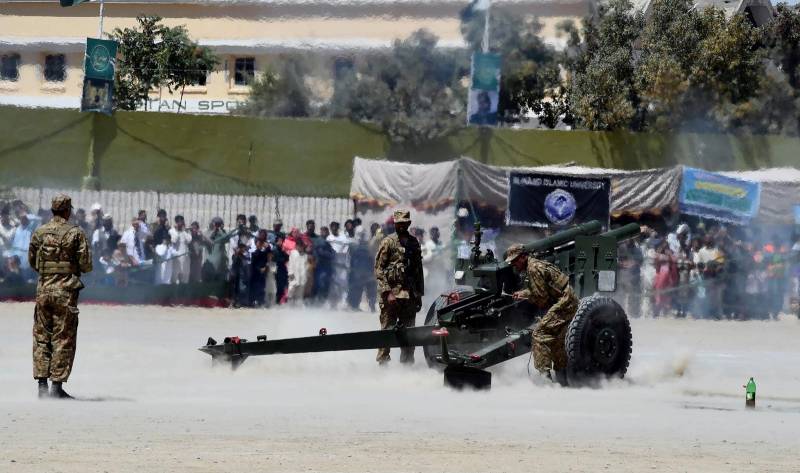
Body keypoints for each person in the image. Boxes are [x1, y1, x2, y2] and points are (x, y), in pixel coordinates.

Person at [28, 194, 92, 399]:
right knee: (63, 338)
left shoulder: (39, 232)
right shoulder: (75, 233)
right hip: (65, 292)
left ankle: (42, 387)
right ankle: (56, 387)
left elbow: (33, 262)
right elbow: (86, 265)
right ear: (67, 210)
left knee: (42, 338)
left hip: (44, 291)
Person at [505, 243, 578, 383]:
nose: (513, 264)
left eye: (515, 260)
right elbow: (542, 290)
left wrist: (526, 296)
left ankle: (546, 381)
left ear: (523, 257)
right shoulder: (535, 265)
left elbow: (541, 299)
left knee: (539, 334)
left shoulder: (533, 269)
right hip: (566, 300)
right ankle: (563, 382)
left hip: (564, 303)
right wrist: (523, 293)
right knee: (556, 339)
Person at [374, 209, 423, 364]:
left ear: (408, 223)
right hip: (391, 297)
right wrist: (388, 292)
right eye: (399, 223)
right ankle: (383, 364)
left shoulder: (414, 243)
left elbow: (418, 270)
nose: (402, 226)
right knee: (387, 332)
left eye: (404, 223)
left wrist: (419, 294)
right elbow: (379, 269)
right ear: (395, 224)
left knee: (409, 334)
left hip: (409, 297)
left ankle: (407, 365)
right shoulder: (388, 242)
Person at [169, 215, 192, 284]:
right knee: (174, 277)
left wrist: (183, 231)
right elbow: (174, 240)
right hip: (176, 258)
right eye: (178, 222)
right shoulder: (171, 231)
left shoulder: (184, 232)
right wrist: (176, 231)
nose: (180, 223)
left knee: (184, 277)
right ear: (176, 222)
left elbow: (189, 240)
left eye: (181, 222)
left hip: (185, 258)